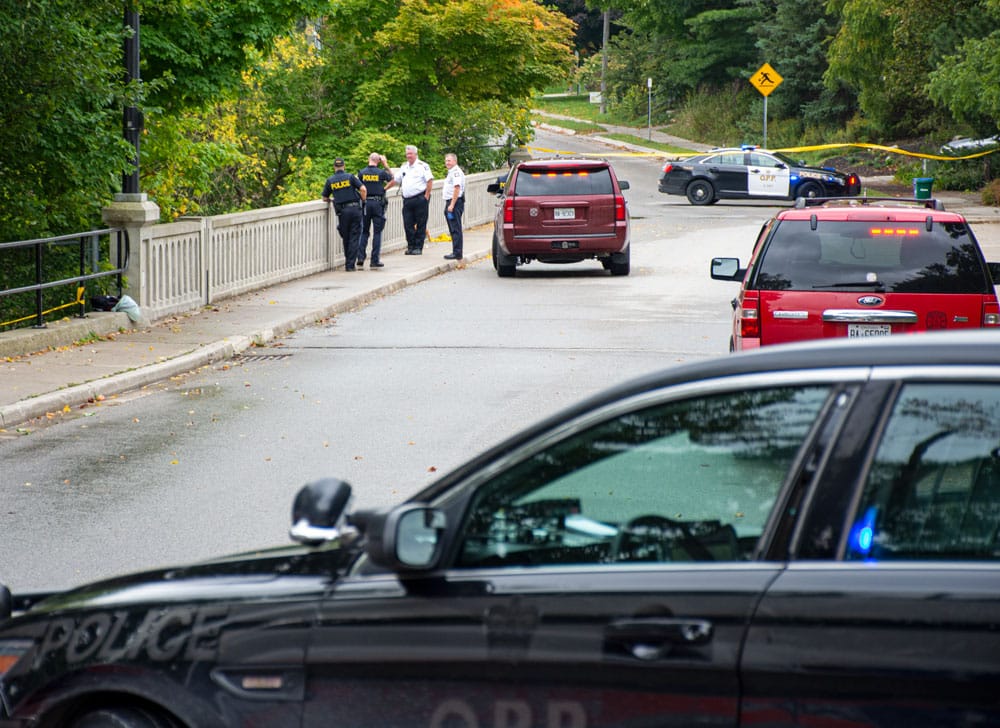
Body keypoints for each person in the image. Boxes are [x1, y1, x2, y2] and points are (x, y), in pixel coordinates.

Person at [322, 157, 367, 270]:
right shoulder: (350, 177)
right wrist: (363, 200)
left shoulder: (330, 180)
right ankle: (350, 265)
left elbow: (324, 197)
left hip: (342, 212)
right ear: (344, 166)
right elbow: (363, 189)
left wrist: (331, 199)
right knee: (354, 237)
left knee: (346, 237)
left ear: (334, 167)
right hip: (355, 209)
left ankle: (349, 262)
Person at [357, 153, 395, 268]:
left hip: (365, 203)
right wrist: (386, 164)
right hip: (378, 203)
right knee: (377, 232)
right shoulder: (381, 173)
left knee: (364, 231)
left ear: (369, 159)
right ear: (378, 161)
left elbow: (357, 186)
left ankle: (360, 257)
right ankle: (374, 260)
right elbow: (393, 179)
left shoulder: (362, 173)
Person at [394, 144, 434, 255]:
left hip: (420, 198)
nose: (408, 156)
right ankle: (410, 246)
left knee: (421, 224)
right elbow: (396, 179)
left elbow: (429, 181)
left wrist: (426, 196)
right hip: (407, 200)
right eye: (407, 154)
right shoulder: (404, 166)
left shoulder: (423, 166)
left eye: (410, 154)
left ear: (416, 154)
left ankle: (418, 247)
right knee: (408, 224)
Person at [441, 153, 466, 260]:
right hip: (451, 202)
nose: (447, 163)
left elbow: (457, 188)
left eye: (449, 161)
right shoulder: (451, 172)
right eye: (446, 160)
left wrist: (452, 204)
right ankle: (455, 250)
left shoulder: (456, 173)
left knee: (455, 228)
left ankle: (457, 252)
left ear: (455, 161)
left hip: (454, 203)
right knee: (453, 228)